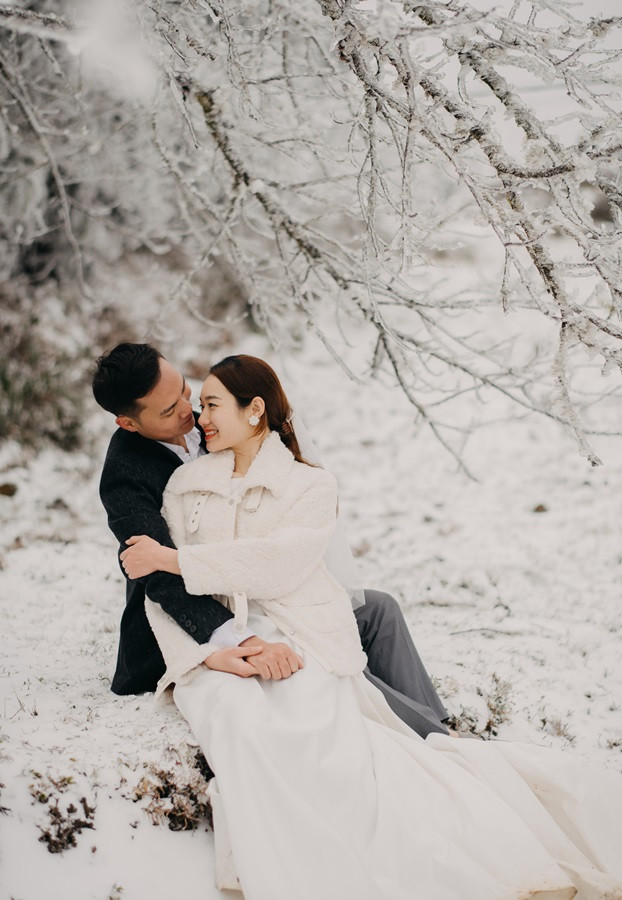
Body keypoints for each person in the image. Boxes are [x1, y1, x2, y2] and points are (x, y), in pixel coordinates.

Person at [120, 354, 622, 900]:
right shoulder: (184, 485)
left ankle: (410, 803)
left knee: (323, 719)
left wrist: (175, 560)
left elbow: (278, 563)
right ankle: (285, 863)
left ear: (255, 409)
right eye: (197, 405)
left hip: (292, 629)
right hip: (221, 644)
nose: (199, 416)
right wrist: (208, 656)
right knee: (240, 721)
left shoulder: (309, 485)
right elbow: (159, 596)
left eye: (211, 403)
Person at [93, 342, 449, 737]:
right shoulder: (126, 475)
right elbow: (158, 574)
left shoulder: (212, 422)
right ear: (128, 423)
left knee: (376, 609)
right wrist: (233, 638)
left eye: (182, 389)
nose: (186, 410)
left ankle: (437, 723)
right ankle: (423, 733)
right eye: (167, 410)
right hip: (195, 619)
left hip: (253, 589)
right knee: (317, 649)